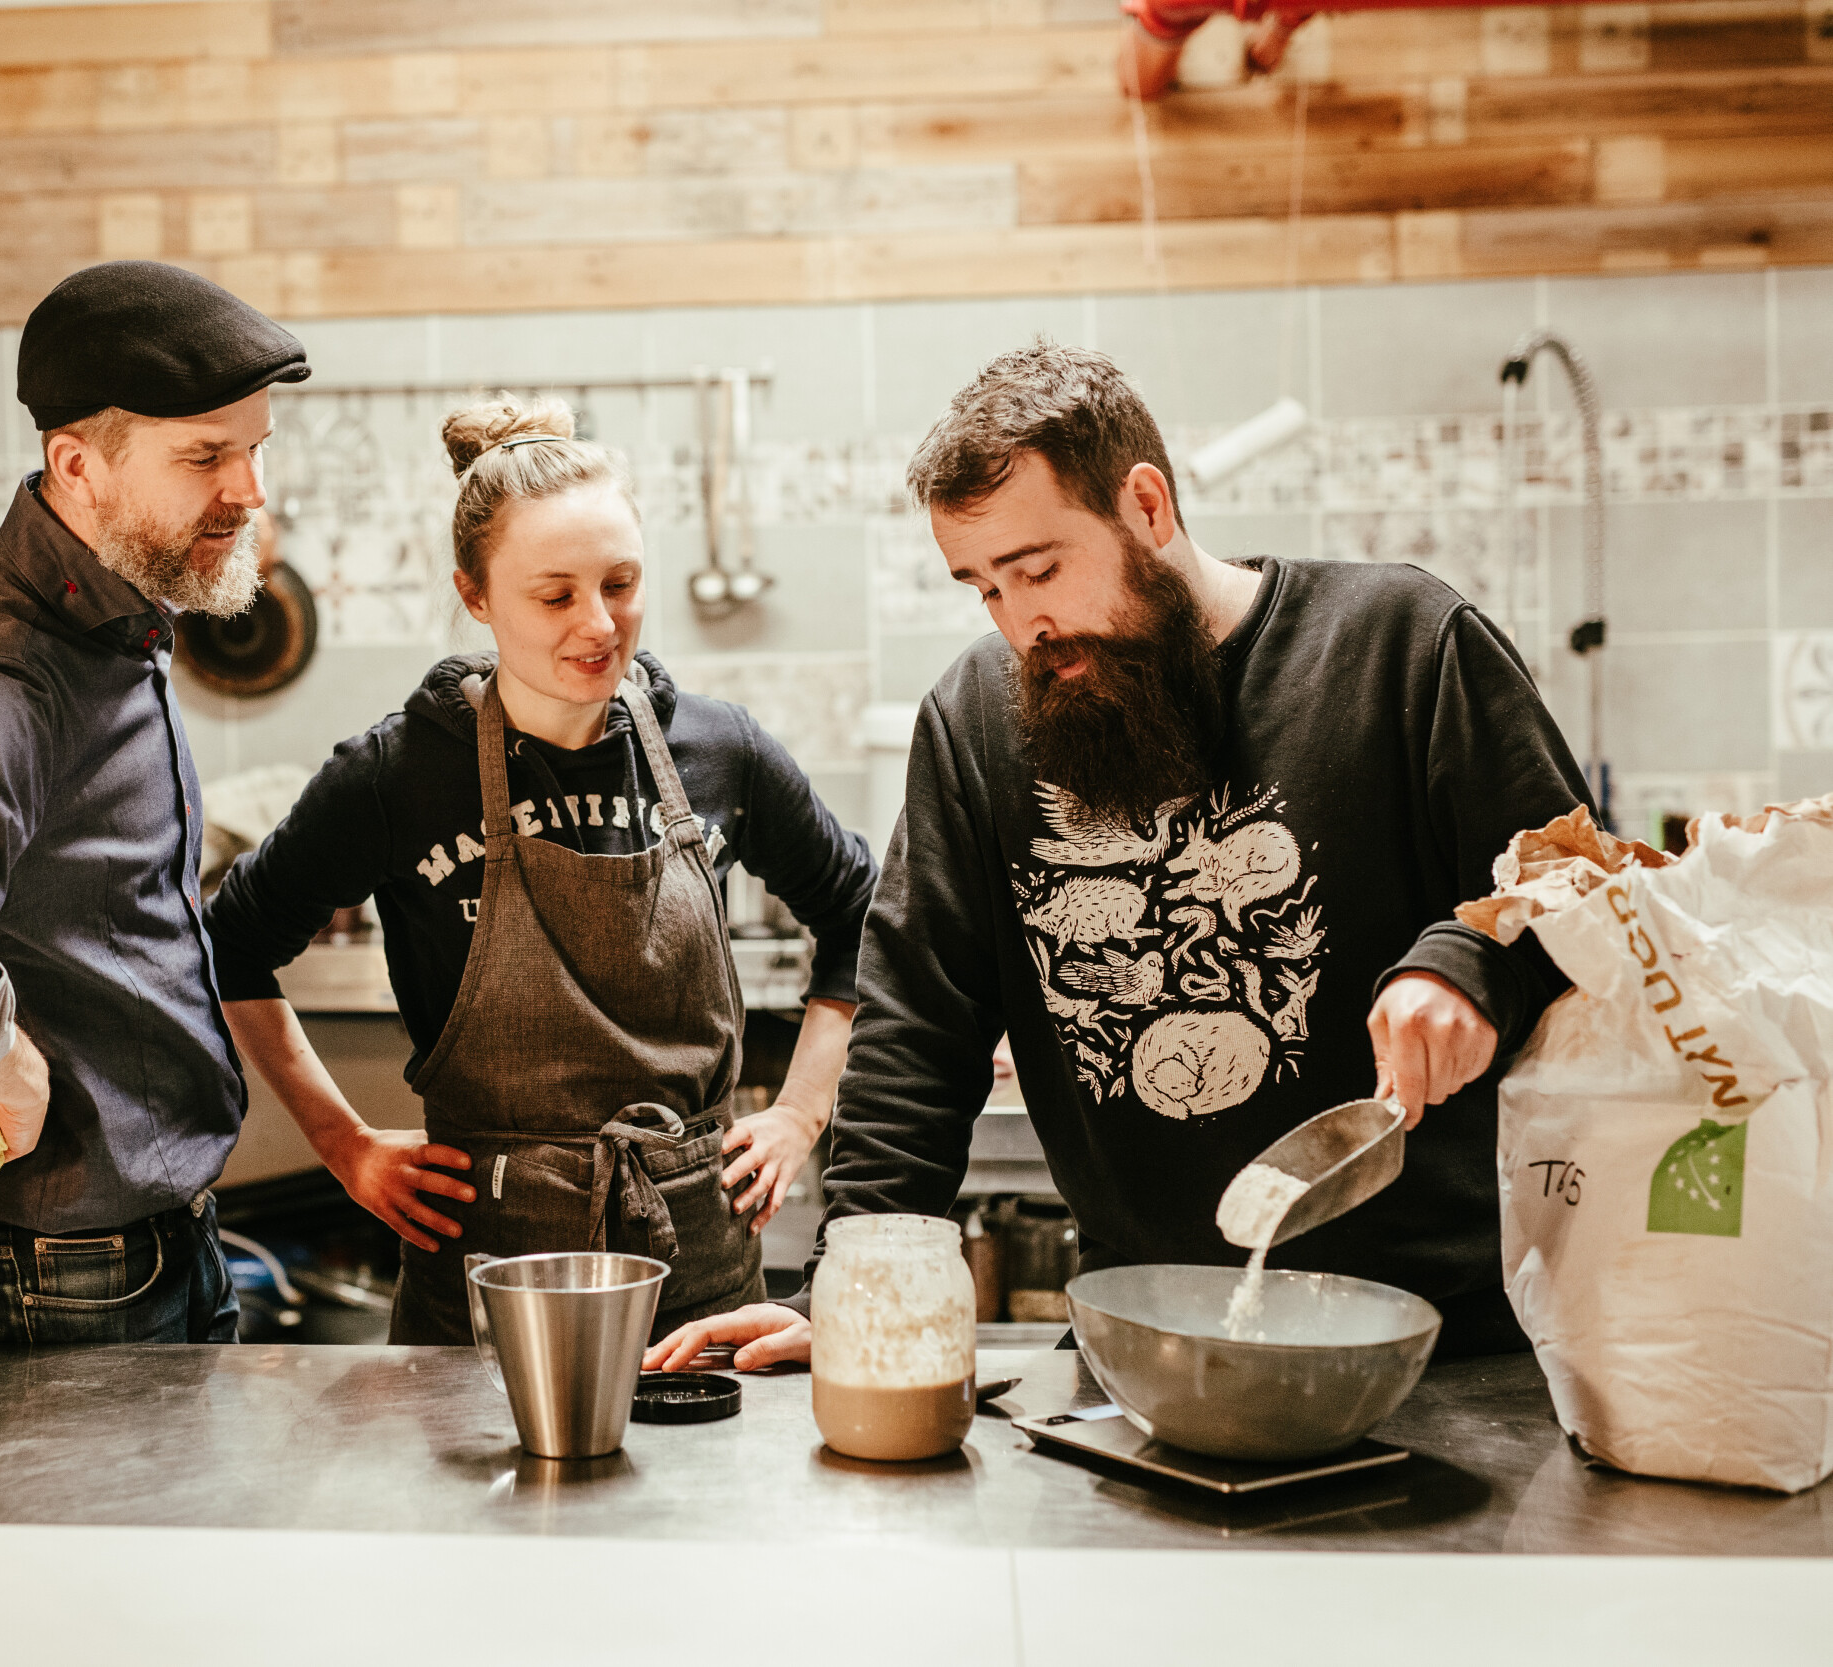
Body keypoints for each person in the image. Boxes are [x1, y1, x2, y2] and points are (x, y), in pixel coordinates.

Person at [647, 340, 1589, 1373]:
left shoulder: (1399, 645)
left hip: (1441, 1348)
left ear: (1147, 506)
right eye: (984, 588)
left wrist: (1473, 958)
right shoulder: (974, 722)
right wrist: (850, 1280)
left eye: (1039, 568)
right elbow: (918, 1029)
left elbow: (1583, 888)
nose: (1023, 624)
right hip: (1146, 1349)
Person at [203, 397, 880, 1345]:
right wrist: (342, 1143)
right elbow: (232, 946)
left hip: (704, 1293)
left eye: (622, 582)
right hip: (485, 1290)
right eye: (554, 594)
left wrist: (803, 1111)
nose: (598, 623)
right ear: (475, 596)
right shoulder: (400, 774)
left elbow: (865, 914)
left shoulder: (721, 751)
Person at [0, 261, 310, 1345]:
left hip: (137, 1247)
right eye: (205, 456)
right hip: (53, 1274)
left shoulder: (114, 612)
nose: (249, 492)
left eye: (254, 450)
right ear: (76, 464)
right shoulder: (5, 668)